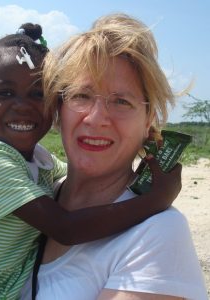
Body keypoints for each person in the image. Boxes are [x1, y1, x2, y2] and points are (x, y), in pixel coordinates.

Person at [0, 23, 181, 300]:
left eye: (38, 94)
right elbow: (66, 228)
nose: (23, 105)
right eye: (81, 96)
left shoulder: (40, 162)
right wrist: (155, 199)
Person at [20, 14, 208, 300]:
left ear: (149, 121)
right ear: (58, 109)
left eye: (122, 101)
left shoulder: (158, 233)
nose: (96, 119)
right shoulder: (37, 195)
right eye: (81, 95)